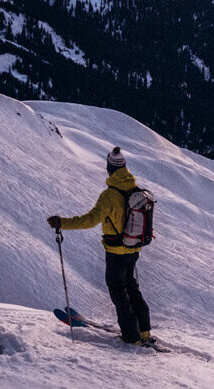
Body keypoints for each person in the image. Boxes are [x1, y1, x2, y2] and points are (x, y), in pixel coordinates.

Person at [47, 147, 152, 346]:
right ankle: (144, 331)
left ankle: (131, 337)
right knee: (131, 287)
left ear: (109, 169)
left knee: (119, 292)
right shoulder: (135, 190)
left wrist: (62, 223)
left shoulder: (109, 195)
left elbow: (89, 220)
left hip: (115, 252)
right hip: (133, 248)